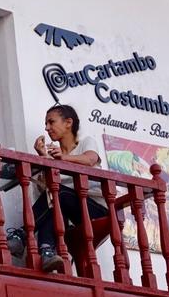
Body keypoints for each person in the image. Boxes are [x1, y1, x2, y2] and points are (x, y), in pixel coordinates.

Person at [7, 104, 107, 273]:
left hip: (95, 210)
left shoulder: (85, 142)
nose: (47, 128)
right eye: (46, 124)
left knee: (57, 192)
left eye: (51, 122)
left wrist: (62, 159)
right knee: (55, 201)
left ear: (68, 123)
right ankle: (47, 251)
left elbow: (90, 159)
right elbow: (46, 191)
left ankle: (21, 235)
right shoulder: (56, 156)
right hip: (70, 213)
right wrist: (44, 158)